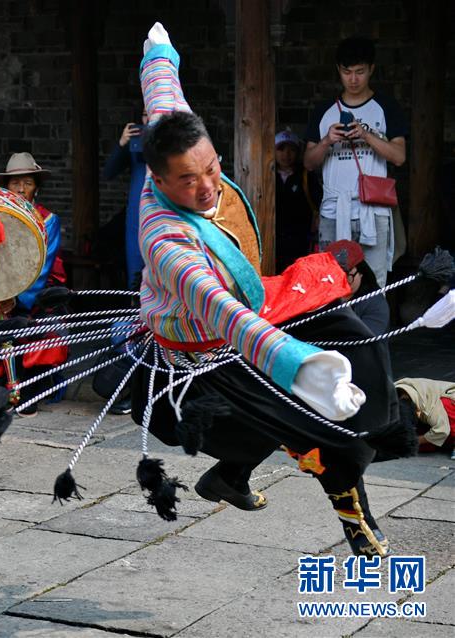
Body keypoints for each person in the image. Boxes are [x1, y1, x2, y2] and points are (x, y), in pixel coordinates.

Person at [129, 23, 401, 557]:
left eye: (212, 168)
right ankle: (358, 524)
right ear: (158, 180)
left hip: (250, 302)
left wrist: (159, 53)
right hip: (207, 350)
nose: (207, 187)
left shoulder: (172, 132)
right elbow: (222, 312)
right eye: (188, 181)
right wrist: (297, 363)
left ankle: (229, 476)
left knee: (348, 331)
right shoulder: (166, 242)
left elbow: (162, 92)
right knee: (307, 422)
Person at [303, 36, 408, 288]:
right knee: (331, 283)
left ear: (371, 69)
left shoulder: (386, 107)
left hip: (373, 209)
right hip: (333, 210)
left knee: (374, 284)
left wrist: (366, 135)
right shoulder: (324, 111)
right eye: (346, 72)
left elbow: (399, 157)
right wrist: (327, 140)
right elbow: (308, 162)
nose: (353, 79)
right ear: (338, 70)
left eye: (359, 72)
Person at [0, 152, 68, 416]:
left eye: (28, 183)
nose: (21, 189)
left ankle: (30, 390)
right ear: (7, 187)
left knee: (36, 334)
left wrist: (15, 298)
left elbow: (42, 268)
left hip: (36, 295)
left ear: (37, 187)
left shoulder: (48, 220)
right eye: (15, 183)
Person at [104, 109, 149, 288]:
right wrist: (122, 144)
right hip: (137, 217)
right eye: (145, 114)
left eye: (152, 113)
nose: (148, 119)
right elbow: (108, 173)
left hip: (164, 214)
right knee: (135, 276)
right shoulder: (136, 141)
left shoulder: (174, 141)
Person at [274, 129, 321, 271]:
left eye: (291, 150)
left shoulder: (306, 176)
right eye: (281, 149)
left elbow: (318, 202)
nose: (286, 154)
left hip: (300, 238)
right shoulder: (266, 175)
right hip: (273, 237)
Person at [326, 239, 389, 336]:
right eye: (335, 276)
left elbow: (365, 338)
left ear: (361, 273)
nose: (341, 283)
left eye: (347, 276)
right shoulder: (320, 295)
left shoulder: (375, 302)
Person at [395, 378, 455, 459]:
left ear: (418, 412)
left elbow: (442, 430)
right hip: (428, 414)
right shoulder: (389, 397)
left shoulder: (432, 407)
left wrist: (415, 440)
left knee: (446, 405)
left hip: (449, 400)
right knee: (413, 444)